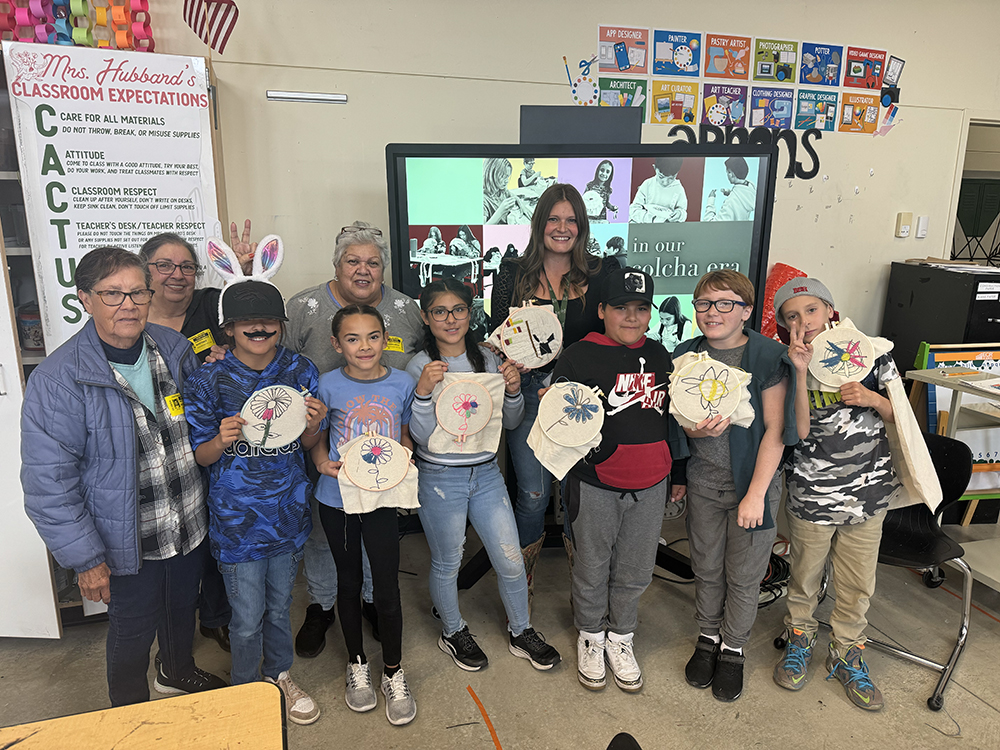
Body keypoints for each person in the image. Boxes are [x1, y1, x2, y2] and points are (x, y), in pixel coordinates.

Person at [21, 247, 226, 707]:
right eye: (113, 294)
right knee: (132, 632)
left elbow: (202, 418)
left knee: (180, 612)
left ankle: (177, 671)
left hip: (187, 523)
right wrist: (87, 558)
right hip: (125, 541)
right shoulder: (59, 378)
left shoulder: (173, 349)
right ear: (85, 299)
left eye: (137, 292)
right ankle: (128, 712)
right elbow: (48, 481)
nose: (128, 304)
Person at [184, 269, 327, 725]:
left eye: (270, 318)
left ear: (282, 324)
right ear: (228, 328)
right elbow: (201, 457)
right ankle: (246, 691)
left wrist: (314, 425)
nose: (260, 326)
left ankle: (279, 675)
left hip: (287, 513)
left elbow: (306, 445)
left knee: (280, 608)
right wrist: (222, 439)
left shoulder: (300, 369)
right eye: (248, 319)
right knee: (245, 618)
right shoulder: (210, 379)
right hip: (237, 521)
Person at [284, 221, 424, 660]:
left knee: (378, 536)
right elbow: (274, 360)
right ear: (337, 265)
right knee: (327, 535)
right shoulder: (303, 307)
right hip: (321, 440)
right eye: (352, 261)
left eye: (373, 263)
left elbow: (428, 356)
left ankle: (369, 600)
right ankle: (323, 605)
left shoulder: (407, 310)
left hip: (383, 451)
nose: (363, 271)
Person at [406, 279, 561, 673]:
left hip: (486, 474)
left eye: (458, 309)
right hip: (439, 477)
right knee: (448, 560)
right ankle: (453, 630)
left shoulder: (488, 360)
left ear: (469, 313)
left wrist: (512, 392)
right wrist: (423, 393)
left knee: (510, 559)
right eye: (439, 311)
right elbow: (420, 435)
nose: (450, 319)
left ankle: (521, 629)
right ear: (426, 317)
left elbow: (508, 424)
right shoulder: (417, 365)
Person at [551, 267, 684, 693]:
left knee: (636, 567)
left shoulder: (664, 356)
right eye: (621, 308)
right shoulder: (578, 355)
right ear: (603, 310)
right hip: (595, 482)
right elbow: (561, 424)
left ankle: (621, 636)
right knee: (592, 564)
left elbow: (675, 421)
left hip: (651, 482)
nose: (631, 316)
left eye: (641, 308)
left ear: (650, 313)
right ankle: (590, 634)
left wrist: (676, 472)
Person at [489, 183, 620, 603]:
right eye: (553, 218)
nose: (562, 228)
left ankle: (585, 589)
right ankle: (520, 585)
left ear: (581, 227)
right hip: (526, 394)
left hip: (580, 395)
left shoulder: (602, 274)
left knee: (578, 494)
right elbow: (497, 338)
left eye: (571, 220)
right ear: (539, 222)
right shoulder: (512, 271)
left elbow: (612, 338)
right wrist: (509, 359)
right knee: (532, 495)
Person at [773, 278, 897, 712]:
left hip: (869, 491)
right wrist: (802, 370)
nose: (803, 322)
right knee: (805, 575)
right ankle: (800, 639)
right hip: (812, 491)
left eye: (810, 310)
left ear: (830, 310)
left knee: (857, 582)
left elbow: (905, 417)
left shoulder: (873, 354)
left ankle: (848, 652)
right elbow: (799, 430)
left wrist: (873, 399)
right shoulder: (788, 362)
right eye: (792, 316)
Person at [672, 270, 797, 702]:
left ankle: (734, 649)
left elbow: (776, 429)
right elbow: (676, 422)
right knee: (706, 568)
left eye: (725, 304)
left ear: (745, 311)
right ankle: (707, 639)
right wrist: (693, 440)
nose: (713, 313)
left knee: (743, 576)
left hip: (751, 486)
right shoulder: (686, 354)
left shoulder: (766, 356)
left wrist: (756, 494)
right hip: (704, 484)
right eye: (704, 304)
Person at [138, 223, 255, 653]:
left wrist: (241, 271)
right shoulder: (131, 319)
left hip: (218, 437)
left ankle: (217, 617)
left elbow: (247, 316)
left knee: (218, 532)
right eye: (165, 265)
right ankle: (174, 631)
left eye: (187, 266)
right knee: (177, 540)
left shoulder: (212, 303)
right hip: (159, 447)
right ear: (145, 271)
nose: (178, 274)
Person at [311, 305, 418, 726]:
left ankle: (393, 670)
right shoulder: (327, 384)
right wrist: (321, 461)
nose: (364, 346)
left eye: (373, 336)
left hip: (382, 499)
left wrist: (407, 455)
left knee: (387, 586)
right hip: (337, 498)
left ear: (385, 337)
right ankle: (357, 665)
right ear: (337, 344)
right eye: (352, 339)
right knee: (349, 582)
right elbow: (315, 439)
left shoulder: (402, 382)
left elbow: (405, 432)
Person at [629, 156, 687, 223]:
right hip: (646, 224)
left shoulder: (678, 189)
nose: (665, 182)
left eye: (671, 178)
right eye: (661, 177)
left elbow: (682, 211)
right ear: (654, 168)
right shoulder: (647, 184)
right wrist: (652, 219)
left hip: (666, 227)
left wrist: (679, 214)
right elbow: (634, 209)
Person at [702, 156, 755, 222]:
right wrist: (730, 193)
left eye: (727, 172)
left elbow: (710, 225)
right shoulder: (751, 186)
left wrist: (710, 201)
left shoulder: (730, 202)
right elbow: (743, 196)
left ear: (731, 174)